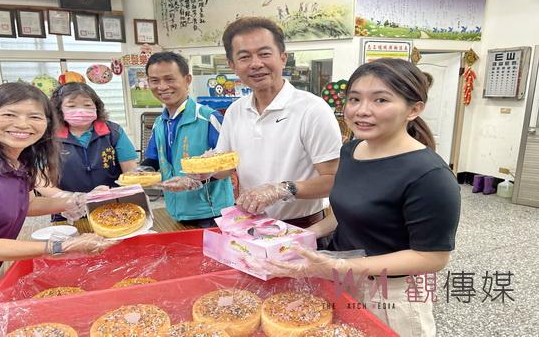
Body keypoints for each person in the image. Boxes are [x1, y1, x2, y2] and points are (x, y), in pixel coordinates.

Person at [254, 59, 461, 337]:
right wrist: (301, 236)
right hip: (342, 276)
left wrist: (344, 266)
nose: (362, 111)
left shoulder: (429, 175)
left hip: (391, 293)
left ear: (414, 109)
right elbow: (346, 209)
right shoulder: (351, 151)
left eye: (381, 100)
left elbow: (432, 257)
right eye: (354, 99)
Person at [0, 82, 114, 326]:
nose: (23, 124)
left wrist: (82, 199)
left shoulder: (17, 159)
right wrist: (60, 246)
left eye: (34, 116)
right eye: (9, 114)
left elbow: (23, 204)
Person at [215, 17, 342, 240]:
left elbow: (335, 180)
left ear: (283, 58)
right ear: (233, 66)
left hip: (303, 230)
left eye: (264, 53)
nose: (255, 64)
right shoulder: (235, 111)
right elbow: (223, 168)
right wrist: (197, 174)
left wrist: (284, 189)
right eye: (244, 57)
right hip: (248, 228)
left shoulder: (312, 109)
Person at [139, 51, 234, 227]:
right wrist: (140, 172)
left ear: (187, 79)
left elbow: (229, 166)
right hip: (175, 210)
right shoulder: (159, 123)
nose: (162, 87)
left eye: (169, 79)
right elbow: (153, 159)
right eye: (155, 80)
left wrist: (196, 180)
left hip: (211, 213)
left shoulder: (208, 118)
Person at [36, 82, 139, 222]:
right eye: (71, 106)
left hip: (114, 208)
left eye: (87, 105)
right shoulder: (48, 137)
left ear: (96, 107)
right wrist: (74, 199)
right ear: (58, 109)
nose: (80, 110)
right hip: (67, 212)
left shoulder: (114, 132)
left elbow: (130, 173)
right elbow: (41, 182)